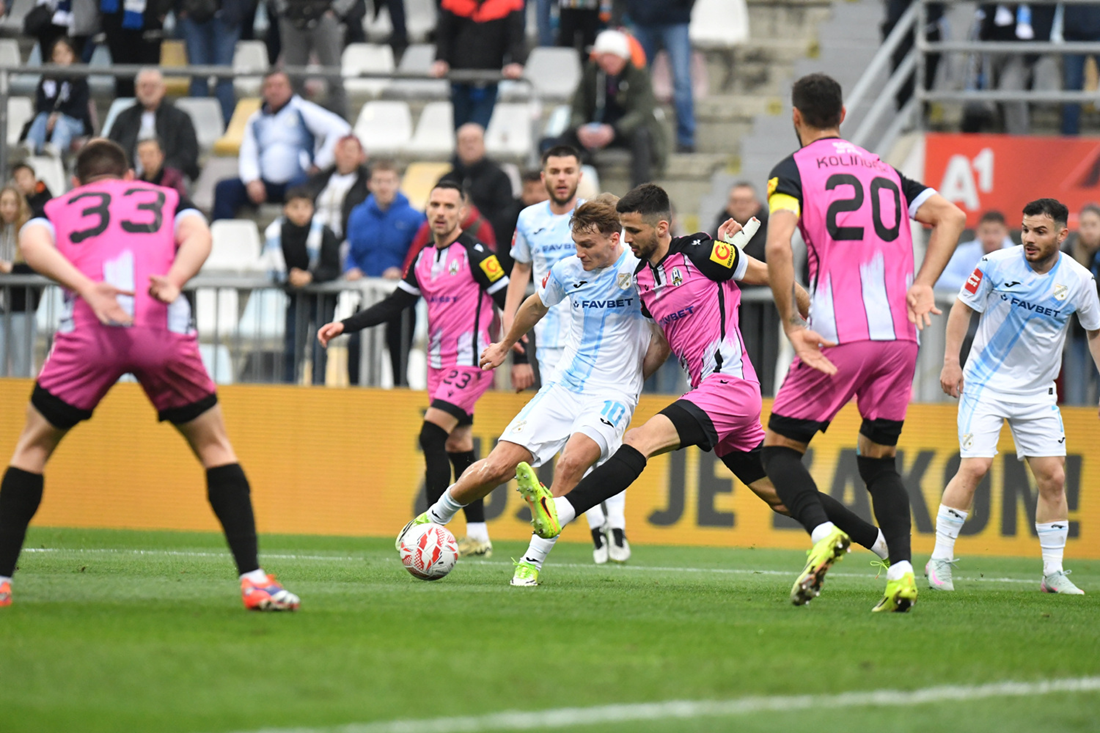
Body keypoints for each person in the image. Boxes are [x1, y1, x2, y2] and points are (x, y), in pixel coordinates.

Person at [512, 184, 891, 581]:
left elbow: (771, 274)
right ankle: (882, 543)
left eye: (634, 231)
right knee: (778, 496)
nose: (627, 240)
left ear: (662, 227)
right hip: (712, 394)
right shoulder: (642, 279)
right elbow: (658, 337)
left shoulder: (701, 251)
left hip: (729, 384)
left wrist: (816, 317)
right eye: (623, 231)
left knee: (639, 441)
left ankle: (562, 510)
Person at [0, 139, 299, 610]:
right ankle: (255, 579)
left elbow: (31, 245)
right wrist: (175, 279)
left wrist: (86, 287)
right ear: (131, 175)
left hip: (90, 332)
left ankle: (0, 580)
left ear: (78, 180)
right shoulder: (164, 197)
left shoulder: (57, 206)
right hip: (161, 325)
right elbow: (201, 236)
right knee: (215, 447)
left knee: (32, 448)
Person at [760, 73, 965, 612]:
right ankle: (900, 571)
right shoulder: (885, 169)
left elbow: (778, 249)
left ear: (796, 117)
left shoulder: (791, 172)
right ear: (844, 115)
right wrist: (922, 282)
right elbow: (951, 216)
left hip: (837, 332)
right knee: (878, 462)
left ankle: (822, 529)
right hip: (900, 335)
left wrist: (788, 321)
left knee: (778, 451)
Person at [395, 194, 672, 584]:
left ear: (615, 239)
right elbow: (535, 306)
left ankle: (532, 561)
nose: (580, 253)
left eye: (587, 245)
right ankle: (430, 519)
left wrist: (635, 378)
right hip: (564, 386)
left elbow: (665, 330)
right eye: (576, 244)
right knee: (497, 467)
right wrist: (506, 345)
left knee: (572, 461)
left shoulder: (640, 270)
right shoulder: (567, 270)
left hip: (611, 395)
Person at [318, 181, 510, 557]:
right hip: (437, 364)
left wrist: (514, 351)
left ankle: (430, 526)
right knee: (458, 444)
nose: (440, 212)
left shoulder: (476, 254)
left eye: (448, 205)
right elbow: (393, 305)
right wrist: (346, 323)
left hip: (471, 360)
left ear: (462, 212)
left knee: (430, 435)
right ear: (428, 210)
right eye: (434, 204)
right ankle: (479, 535)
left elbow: (509, 301)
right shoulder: (423, 258)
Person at [932, 199, 1100, 595]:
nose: (1029, 238)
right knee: (975, 468)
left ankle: (1053, 573)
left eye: (1040, 231)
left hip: (1036, 395)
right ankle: (939, 559)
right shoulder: (995, 264)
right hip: (985, 385)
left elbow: (1094, 333)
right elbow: (961, 309)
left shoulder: (1080, 280)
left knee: (1054, 478)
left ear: (1062, 234)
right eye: (1025, 229)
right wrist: (950, 362)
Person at [505, 146, 629, 562]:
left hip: (599, 348)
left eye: (568, 170)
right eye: (553, 170)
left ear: (579, 176)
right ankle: (598, 530)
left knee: (600, 443)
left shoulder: (602, 226)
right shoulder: (529, 220)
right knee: (570, 447)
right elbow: (520, 276)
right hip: (552, 344)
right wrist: (510, 336)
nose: (560, 177)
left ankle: (617, 526)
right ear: (543, 176)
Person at [212, 71, 351, 221]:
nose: (274, 90)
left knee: (301, 190)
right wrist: (252, 180)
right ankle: (222, 238)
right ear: (263, 90)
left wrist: (320, 163)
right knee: (224, 189)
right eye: (269, 86)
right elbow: (248, 154)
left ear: (290, 89)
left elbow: (341, 130)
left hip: (298, 180)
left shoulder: (302, 110)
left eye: (279, 85)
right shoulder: (256, 120)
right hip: (264, 184)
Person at [343, 160, 425, 388]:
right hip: (368, 298)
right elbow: (350, 250)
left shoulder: (413, 217)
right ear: (370, 184)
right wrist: (350, 268)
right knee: (356, 349)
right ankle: (356, 399)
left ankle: (399, 397)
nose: (384, 186)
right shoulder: (358, 215)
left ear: (397, 183)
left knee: (400, 358)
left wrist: (403, 272)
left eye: (389, 181)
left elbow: (420, 254)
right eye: (379, 181)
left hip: (401, 301)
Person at [554, 29, 667, 188]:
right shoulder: (591, 72)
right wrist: (580, 128)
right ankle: (570, 184)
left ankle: (640, 192)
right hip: (596, 128)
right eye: (604, 56)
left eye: (613, 56)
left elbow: (642, 112)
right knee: (567, 138)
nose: (608, 61)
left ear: (623, 57)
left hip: (625, 130)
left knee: (642, 135)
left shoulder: (638, 74)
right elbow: (578, 106)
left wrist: (614, 130)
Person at [261, 188, 341, 385]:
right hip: (296, 298)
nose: (301, 212)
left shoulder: (325, 232)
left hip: (324, 300)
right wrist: (290, 277)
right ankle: (289, 390)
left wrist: (311, 277)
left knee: (318, 349)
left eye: (306, 207)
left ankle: (318, 391)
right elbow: (275, 267)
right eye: (295, 207)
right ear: (286, 210)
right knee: (292, 347)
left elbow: (333, 267)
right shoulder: (276, 233)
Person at [711, 181, 778, 394]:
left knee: (762, 366)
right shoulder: (717, 229)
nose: (741, 206)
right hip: (727, 314)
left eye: (746, 201)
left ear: (756, 204)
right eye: (736, 201)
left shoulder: (772, 229)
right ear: (728, 206)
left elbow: (765, 261)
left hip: (763, 315)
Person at [432, 0, 526, 130]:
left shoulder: (509, 4)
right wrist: (441, 59)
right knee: (461, 130)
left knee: (476, 130)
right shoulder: (453, 3)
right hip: (459, 77)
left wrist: (516, 62)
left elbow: (516, 37)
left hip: (490, 77)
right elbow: (444, 35)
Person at [623, 0, 695, 153]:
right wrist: (634, 10)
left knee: (682, 80)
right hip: (643, 22)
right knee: (636, 80)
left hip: (676, 20)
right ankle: (633, 134)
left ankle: (686, 139)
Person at [107, 68, 201, 182]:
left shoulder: (180, 117)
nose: (148, 90)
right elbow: (111, 149)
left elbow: (188, 154)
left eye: (153, 86)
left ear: (163, 89)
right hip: (128, 178)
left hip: (168, 179)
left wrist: (160, 171)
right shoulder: (124, 117)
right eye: (144, 86)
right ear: (136, 89)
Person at [440, 123, 515, 252]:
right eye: (464, 141)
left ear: (483, 144)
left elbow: (505, 218)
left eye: (474, 140)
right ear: (457, 146)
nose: (470, 145)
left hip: (489, 245)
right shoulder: (446, 179)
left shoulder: (499, 178)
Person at [176, 0, 251, 125]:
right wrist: (179, 8)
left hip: (228, 14)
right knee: (198, 75)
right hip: (193, 15)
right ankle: (198, 125)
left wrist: (239, 10)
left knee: (224, 75)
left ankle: (226, 126)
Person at [274, 0, 351, 119]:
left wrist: (337, 9)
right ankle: (293, 124)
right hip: (292, 17)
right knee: (293, 78)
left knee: (334, 76)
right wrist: (283, 9)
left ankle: (342, 129)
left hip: (325, 15)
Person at [25, 38, 91, 158]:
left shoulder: (80, 81)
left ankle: (55, 150)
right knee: (41, 118)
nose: (61, 57)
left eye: (66, 53)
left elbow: (80, 110)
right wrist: (51, 115)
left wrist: (59, 115)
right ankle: (30, 147)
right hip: (49, 119)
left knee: (62, 123)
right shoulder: (46, 78)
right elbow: (40, 105)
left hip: (74, 121)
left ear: (73, 55)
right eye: (57, 53)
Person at [1062, 204, 1100, 406]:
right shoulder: (1068, 252)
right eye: (1084, 224)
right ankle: (1076, 432)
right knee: (1075, 388)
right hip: (1077, 331)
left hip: (1099, 330)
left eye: (1093, 224)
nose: (1088, 229)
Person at [0, 186, 38, 377]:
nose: (8, 209)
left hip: (22, 306)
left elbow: (37, 265)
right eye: (4, 203)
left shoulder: (29, 232)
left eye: (12, 204)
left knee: (21, 364)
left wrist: (9, 268)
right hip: (1, 306)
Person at [304, 134, 370, 241]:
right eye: (344, 149)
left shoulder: (368, 184)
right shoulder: (318, 180)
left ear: (361, 155)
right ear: (335, 152)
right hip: (315, 236)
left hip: (348, 239)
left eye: (353, 150)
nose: (348, 154)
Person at [100, 0, 169, 99]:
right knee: (122, 76)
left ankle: (151, 110)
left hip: (149, 20)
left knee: (149, 74)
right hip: (115, 20)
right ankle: (126, 110)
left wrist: (161, 9)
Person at [935, 211, 1013, 293]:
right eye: (986, 232)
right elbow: (941, 278)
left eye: (996, 232)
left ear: (1006, 232)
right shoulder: (964, 252)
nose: (991, 238)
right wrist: (975, 285)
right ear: (977, 232)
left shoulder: (1016, 256)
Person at [495, 168, 549, 276]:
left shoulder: (562, 217)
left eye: (542, 191)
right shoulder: (509, 219)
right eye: (529, 191)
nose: (536, 197)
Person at [1061, 4, 1100, 135]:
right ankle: (1068, 140)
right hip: (1073, 31)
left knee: (1072, 87)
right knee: (1072, 87)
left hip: (1084, 28)